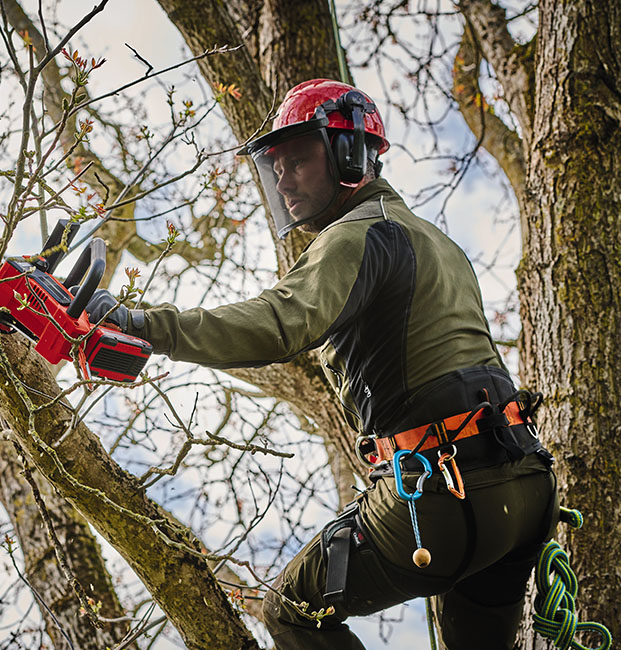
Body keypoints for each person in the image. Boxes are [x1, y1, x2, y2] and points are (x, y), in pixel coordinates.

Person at [86, 79, 558, 650]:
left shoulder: (358, 234)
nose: (282, 179)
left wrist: (141, 325)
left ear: (350, 153)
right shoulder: (435, 242)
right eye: (275, 166)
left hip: (444, 493)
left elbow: (279, 323)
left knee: (290, 609)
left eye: (297, 160)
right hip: (525, 491)